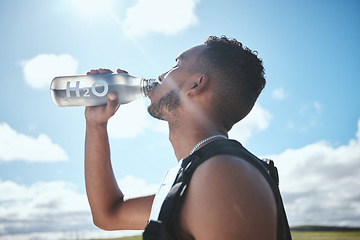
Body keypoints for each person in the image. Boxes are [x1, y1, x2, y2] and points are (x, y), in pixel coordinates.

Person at [84, 36, 291, 240]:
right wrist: (96, 124)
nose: (161, 75)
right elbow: (108, 215)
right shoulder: (203, 175)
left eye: (176, 65)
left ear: (196, 84)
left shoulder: (222, 175)